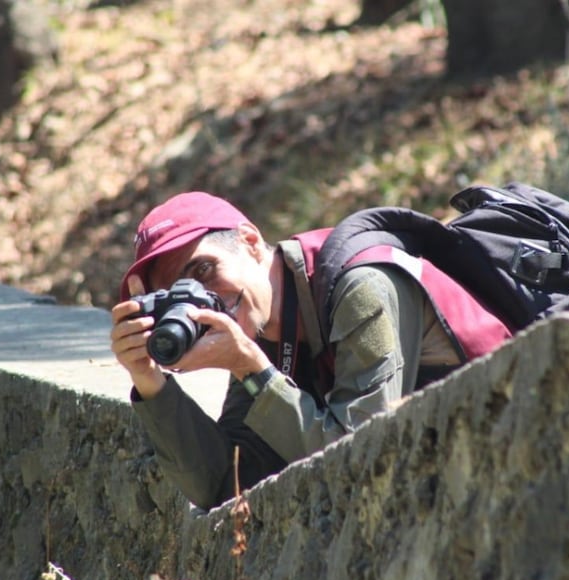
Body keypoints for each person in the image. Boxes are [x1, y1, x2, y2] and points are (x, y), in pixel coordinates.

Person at [110, 192, 512, 509]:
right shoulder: (264, 324)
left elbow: (361, 462)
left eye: (203, 271)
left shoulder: (361, 286)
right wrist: (151, 383)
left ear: (250, 242)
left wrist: (251, 369)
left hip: (510, 458)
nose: (202, 300)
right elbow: (225, 482)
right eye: (179, 295)